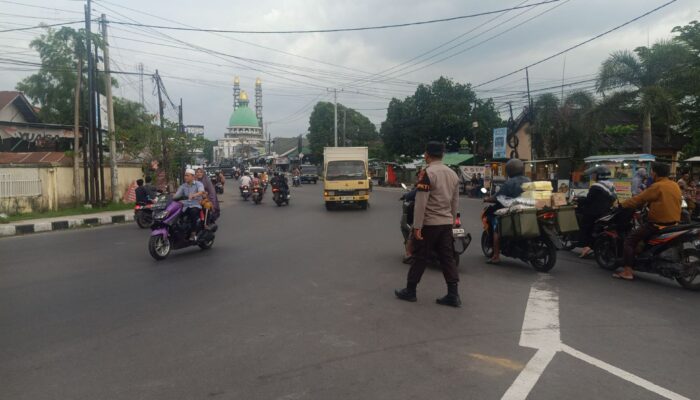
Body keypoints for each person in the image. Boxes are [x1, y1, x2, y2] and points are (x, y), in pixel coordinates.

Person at [395, 141, 462, 307]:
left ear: (427, 155)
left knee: (420, 257)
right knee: (447, 258)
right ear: (443, 155)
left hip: (430, 224)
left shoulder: (428, 173)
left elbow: (421, 202)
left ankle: (410, 291)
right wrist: (452, 221)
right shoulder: (452, 174)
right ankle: (453, 294)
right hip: (446, 223)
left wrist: (417, 227)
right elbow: (455, 201)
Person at [614, 162, 681, 280]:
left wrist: (622, 205)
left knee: (630, 240)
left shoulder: (657, 186)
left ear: (655, 173)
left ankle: (627, 271)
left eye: (651, 172)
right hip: (674, 222)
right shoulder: (674, 184)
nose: (650, 174)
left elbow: (639, 199)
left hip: (657, 224)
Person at [485, 159, 531, 265]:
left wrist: (487, 199)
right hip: (528, 208)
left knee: (497, 228)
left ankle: (496, 256)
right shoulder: (528, 179)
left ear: (509, 170)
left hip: (513, 210)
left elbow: (498, 197)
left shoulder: (509, 183)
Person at [577, 167, 616, 258]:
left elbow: (588, 200)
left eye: (594, 174)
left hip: (594, 213)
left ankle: (586, 247)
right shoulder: (611, 185)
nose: (593, 176)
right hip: (607, 212)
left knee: (585, 227)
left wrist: (578, 200)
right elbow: (613, 198)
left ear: (599, 175)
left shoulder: (596, 186)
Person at [174, 169, 206, 241]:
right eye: (185, 175)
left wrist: (194, 195)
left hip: (195, 204)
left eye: (187, 175)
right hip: (184, 206)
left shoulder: (198, 184)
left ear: (193, 177)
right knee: (175, 213)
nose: (185, 177)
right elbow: (176, 195)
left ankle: (193, 233)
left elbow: (201, 191)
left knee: (193, 213)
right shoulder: (183, 186)